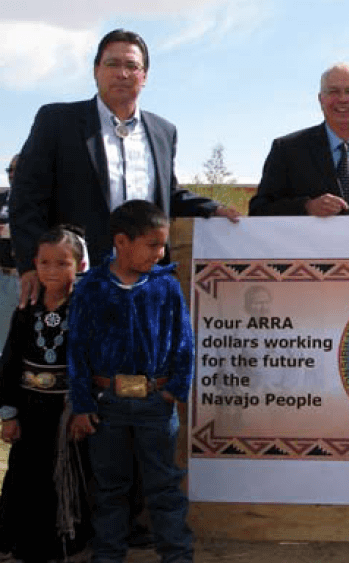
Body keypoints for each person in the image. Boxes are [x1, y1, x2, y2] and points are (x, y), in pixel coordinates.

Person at [11, 28, 239, 307]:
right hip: (76, 282)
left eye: (132, 66)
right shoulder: (58, 122)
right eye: (112, 64)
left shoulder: (163, 132)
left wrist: (212, 209)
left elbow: (166, 194)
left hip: (144, 283)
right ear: (96, 70)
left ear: (144, 77)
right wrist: (31, 266)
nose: (122, 73)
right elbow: (26, 198)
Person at [67, 200, 194, 563]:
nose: (160, 252)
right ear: (121, 241)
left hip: (156, 404)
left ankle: (178, 556)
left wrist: (174, 390)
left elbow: (184, 341)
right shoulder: (91, 288)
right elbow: (77, 350)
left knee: (164, 486)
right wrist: (84, 404)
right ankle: (107, 556)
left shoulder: (165, 286)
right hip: (107, 405)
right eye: (153, 244)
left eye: (162, 244)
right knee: (110, 489)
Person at [0, 225, 91, 562]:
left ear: (79, 266)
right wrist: (8, 413)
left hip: (66, 409)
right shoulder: (26, 309)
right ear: (34, 264)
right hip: (28, 405)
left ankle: (62, 545)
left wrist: (83, 407)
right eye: (45, 263)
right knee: (24, 473)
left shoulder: (85, 310)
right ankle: (17, 544)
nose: (52, 271)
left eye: (62, 264)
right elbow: (9, 362)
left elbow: (89, 362)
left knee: (65, 474)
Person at [248, 62, 349, 217]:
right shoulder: (287, 150)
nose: (342, 99)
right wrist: (306, 207)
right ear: (321, 100)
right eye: (333, 91)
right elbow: (258, 210)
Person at [0, 156, 19, 349]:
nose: (13, 174)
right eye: (9, 170)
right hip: (2, 276)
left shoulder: (41, 200)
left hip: (27, 277)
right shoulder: (1, 199)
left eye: (18, 169)